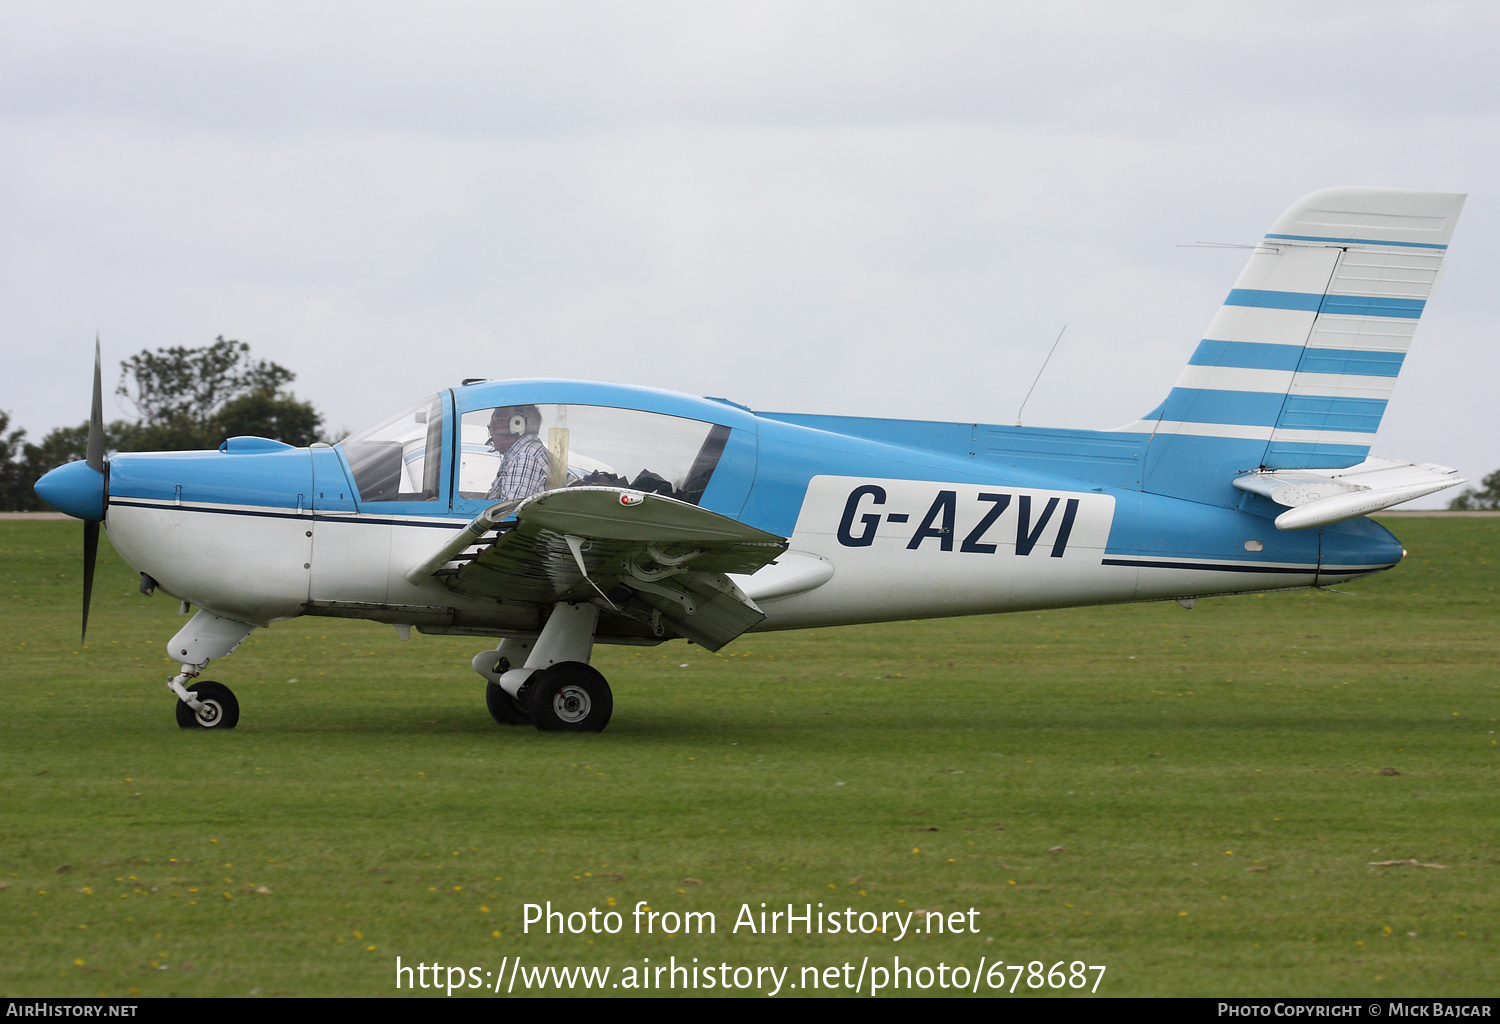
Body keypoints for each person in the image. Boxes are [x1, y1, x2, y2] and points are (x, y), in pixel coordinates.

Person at [485, 405, 550, 501]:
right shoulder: (518, 454)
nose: (492, 430)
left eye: (497, 421)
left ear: (517, 424)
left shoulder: (525, 457)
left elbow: (509, 512)